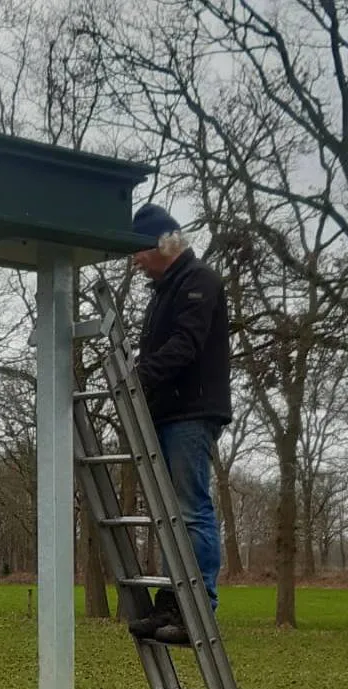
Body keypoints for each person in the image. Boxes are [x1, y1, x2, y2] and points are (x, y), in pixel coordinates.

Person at [125, 203, 232, 644]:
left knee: (190, 510)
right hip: (166, 412)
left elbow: (185, 346)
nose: (135, 260)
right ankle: (173, 601)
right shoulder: (164, 291)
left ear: (162, 245)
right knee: (171, 516)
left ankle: (198, 604)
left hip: (191, 412)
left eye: (139, 251)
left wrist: (135, 380)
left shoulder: (199, 282)